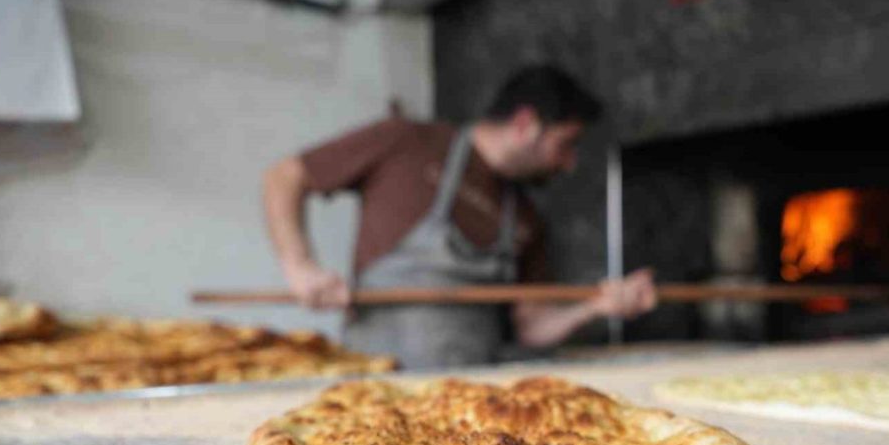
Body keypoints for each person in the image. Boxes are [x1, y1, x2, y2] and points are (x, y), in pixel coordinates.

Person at [263, 65, 656, 368]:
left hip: (471, 402)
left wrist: (595, 307)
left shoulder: (525, 218)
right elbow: (285, 176)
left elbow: (532, 325)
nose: (569, 164)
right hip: (376, 389)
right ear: (524, 125)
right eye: (565, 144)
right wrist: (301, 267)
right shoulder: (407, 141)